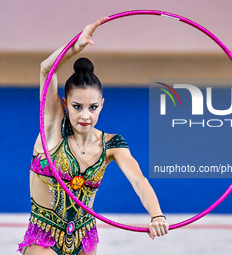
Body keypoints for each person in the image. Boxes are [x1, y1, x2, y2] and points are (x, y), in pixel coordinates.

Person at [18, 17, 169, 255]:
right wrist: (75, 47)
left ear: (102, 105)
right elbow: (46, 69)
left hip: (85, 241)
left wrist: (156, 214)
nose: (85, 116)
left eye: (93, 107)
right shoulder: (53, 129)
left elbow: (139, 180)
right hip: (44, 241)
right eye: (77, 107)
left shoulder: (112, 144)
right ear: (65, 104)